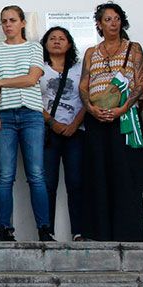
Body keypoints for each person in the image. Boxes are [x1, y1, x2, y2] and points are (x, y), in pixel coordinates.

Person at [79, 2, 143, 242]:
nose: (113, 23)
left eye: (117, 18)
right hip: (97, 117)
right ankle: (100, 231)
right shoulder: (91, 52)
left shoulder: (134, 48)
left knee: (126, 171)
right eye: (107, 19)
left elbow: (140, 84)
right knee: (99, 171)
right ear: (99, 24)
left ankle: (130, 230)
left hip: (125, 117)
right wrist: (90, 107)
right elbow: (83, 84)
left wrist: (122, 108)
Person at [0, 6, 51, 242]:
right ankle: (4, 229)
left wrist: (1, 82)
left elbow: (31, 78)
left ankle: (44, 229)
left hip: (31, 114)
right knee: (5, 176)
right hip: (4, 115)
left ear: (22, 23)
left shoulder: (34, 46)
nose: (7, 25)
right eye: (4, 21)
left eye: (12, 20)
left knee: (36, 174)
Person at [41, 25, 86, 241]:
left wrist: (75, 124)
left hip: (76, 132)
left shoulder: (79, 69)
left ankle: (78, 231)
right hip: (48, 133)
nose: (57, 41)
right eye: (52, 38)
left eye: (61, 38)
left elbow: (88, 98)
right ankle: (47, 230)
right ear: (45, 43)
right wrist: (51, 121)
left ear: (69, 44)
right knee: (47, 183)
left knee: (76, 182)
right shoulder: (39, 68)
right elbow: (32, 97)